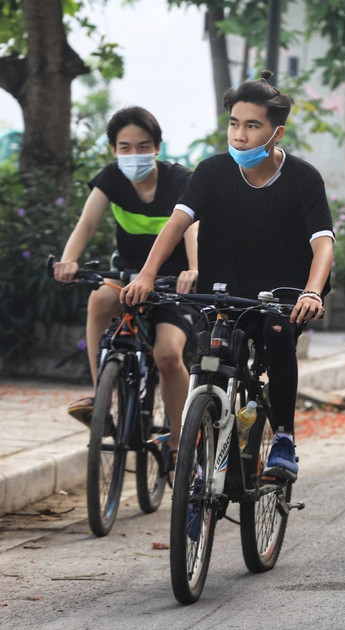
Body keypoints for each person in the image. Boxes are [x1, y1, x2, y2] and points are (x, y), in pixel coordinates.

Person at [121, 72, 334, 482]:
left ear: (276, 133)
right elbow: (176, 223)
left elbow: (323, 242)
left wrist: (311, 291)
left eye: (252, 125)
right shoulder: (212, 172)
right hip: (223, 286)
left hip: (283, 290)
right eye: (234, 123)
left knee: (276, 332)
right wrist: (146, 275)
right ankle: (201, 453)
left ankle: (285, 438)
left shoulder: (303, 178)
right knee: (210, 356)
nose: (239, 135)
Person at [53, 106, 196, 479]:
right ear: (114, 150)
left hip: (174, 285)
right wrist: (68, 261)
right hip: (129, 276)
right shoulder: (111, 179)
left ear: (158, 147)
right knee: (99, 298)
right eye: (125, 147)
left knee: (167, 355)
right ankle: (100, 394)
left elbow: (194, 229)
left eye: (143, 146)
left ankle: (178, 443)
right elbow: (86, 223)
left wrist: (193, 271)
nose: (134, 155)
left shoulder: (181, 180)